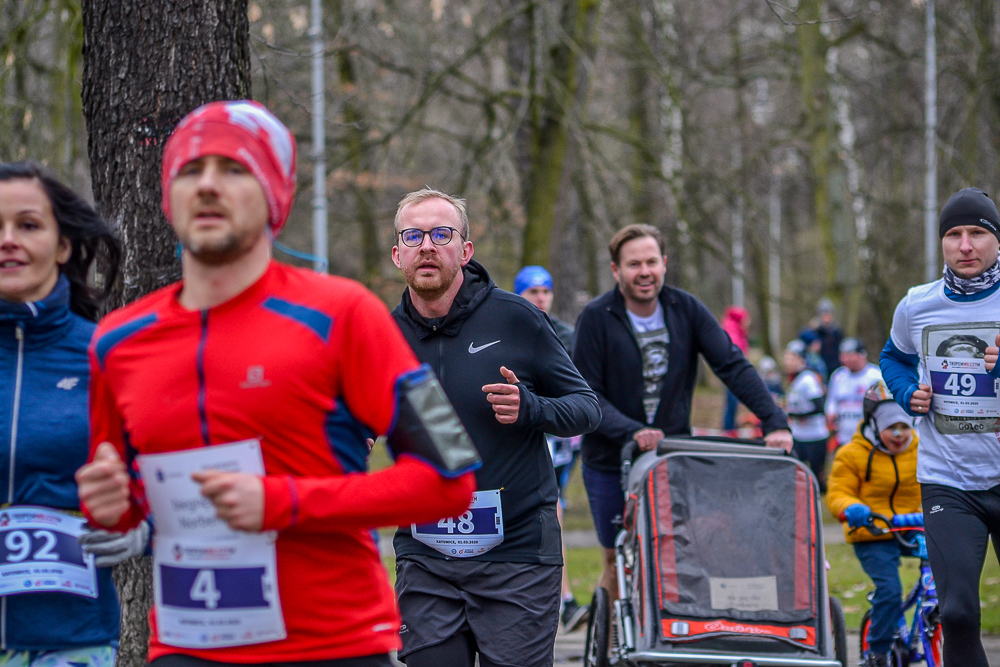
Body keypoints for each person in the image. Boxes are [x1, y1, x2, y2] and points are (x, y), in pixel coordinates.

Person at [73, 101, 479, 667]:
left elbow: (450, 481)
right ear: (168, 197)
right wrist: (113, 506)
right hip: (188, 646)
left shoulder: (344, 314)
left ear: (274, 194)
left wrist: (284, 501)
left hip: (333, 645)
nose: (208, 185)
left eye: (234, 169)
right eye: (190, 170)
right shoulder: (116, 343)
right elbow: (125, 504)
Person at [390, 189, 601, 667]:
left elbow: (587, 408)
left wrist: (531, 408)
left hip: (517, 555)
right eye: (413, 236)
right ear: (398, 254)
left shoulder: (517, 318)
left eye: (442, 234)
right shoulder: (383, 335)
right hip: (427, 554)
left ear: (465, 250)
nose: (427, 246)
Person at [572, 223, 792, 600]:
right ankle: (610, 633)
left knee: (678, 551)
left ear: (664, 263)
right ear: (616, 270)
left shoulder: (685, 309)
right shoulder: (596, 317)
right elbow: (585, 393)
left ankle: (669, 628)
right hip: (611, 459)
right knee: (617, 559)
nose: (644, 272)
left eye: (651, 262)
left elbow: (732, 365)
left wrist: (775, 422)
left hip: (671, 457)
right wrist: (631, 430)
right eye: (634, 264)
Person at [0, 161, 138, 666]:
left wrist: (138, 527)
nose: (8, 240)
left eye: (28, 225)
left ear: (62, 246)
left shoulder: (107, 358)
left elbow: (165, 483)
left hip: (73, 640)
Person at [881, 186, 1000, 667]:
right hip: (948, 480)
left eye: (977, 233)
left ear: (997, 240)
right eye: (953, 234)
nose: (965, 245)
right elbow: (893, 358)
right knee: (956, 613)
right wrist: (906, 391)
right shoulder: (917, 304)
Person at [512, 264, 587, 632]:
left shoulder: (566, 335)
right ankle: (556, 600)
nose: (541, 298)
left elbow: (580, 390)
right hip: (522, 433)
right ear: (519, 295)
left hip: (560, 438)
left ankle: (561, 600)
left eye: (546, 291)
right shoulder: (506, 329)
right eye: (533, 292)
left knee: (551, 510)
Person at [826, 381, 920, 667]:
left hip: (913, 526)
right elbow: (837, 491)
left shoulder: (922, 448)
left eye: (904, 426)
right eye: (891, 427)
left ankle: (932, 625)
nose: (899, 435)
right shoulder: (852, 453)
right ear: (874, 424)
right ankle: (876, 652)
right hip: (872, 530)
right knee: (890, 591)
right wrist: (851, 507)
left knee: (948, 581)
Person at [783, 339, 830, 490]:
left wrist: (796, 415)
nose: (787, 362)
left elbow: (819, 406)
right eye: (786, 357)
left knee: (817, 480)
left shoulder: (808, 378)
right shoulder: (795, 379)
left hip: (814, 436)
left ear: (801, 359)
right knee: (796, 477)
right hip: (798, 435)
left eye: (791, 358)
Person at [825, 338, 882, 448]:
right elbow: (831, 402)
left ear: (861, 355)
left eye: (849, 355)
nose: (845, 359)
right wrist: (831, 415)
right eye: (843, 355)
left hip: (869, 437)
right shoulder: (838, 376)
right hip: (844, 436)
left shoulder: (875, 376)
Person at [719, 305, 750, 431]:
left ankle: (730, 426)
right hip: (733, 374)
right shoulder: (733, 333)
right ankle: (729, 429)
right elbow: (735, 356)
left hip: (734, 374)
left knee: (733, 402)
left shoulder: (736, 331)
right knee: (732, 402)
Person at [800, 297, 842, 378]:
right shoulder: (814, 331)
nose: (827, 317)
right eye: (824, 314)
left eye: (829, 314)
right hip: (820, 370)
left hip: (834, 368)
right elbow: (802, 336)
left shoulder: (836, 332)